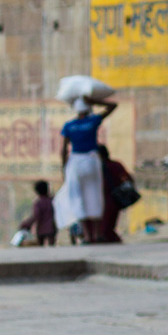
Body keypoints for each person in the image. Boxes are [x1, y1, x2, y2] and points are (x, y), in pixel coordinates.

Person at [57, 97, 115, 242]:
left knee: (77, 197)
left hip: (75, 161)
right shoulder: (93, 121)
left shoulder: (69, 126)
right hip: (91, 160)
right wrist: (95, 101)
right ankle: (98, 234)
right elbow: (113, 106)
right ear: (88, 108)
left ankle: (87, 236)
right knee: (95, 194)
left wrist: (64, 168)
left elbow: (64, 150)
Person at [94, 147, 133, 243]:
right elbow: (128, 179)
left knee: (105, 228)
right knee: (108, 226)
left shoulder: (101, 167)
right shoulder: (116, 165)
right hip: (114, 201)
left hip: (107, 201)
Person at [18, 180, 58, 246]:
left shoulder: (38, 203)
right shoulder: (52, 201)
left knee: (40, 246)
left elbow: (36, 216)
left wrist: (27, 224)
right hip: (52, 227)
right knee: (52, 245)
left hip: (41, 228)